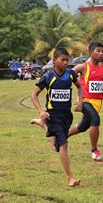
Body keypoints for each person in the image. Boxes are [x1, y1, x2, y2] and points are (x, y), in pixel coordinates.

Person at [31, 48, 83, 187]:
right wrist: (41, 111)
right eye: (63, 60)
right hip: (53, 115)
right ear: (54, 61)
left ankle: (43, 125)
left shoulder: (71, 74)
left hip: (67, 115)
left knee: (57, 147)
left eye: (68, 60)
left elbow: (80, 87)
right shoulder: (48, 76)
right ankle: (70, 178)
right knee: (63, 145)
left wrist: (80, 101)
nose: (66, 62)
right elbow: (34, 95)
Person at [67, 42, 103, 162]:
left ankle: (61, 137)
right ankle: (94, 151)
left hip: (97, 103)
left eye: (102, 51)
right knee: (95, 119)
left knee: (82, 126)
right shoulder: (83, 67)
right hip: (84, 101)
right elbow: (68, 75)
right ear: (91, 52)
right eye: (98, 51)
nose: (101, 53)